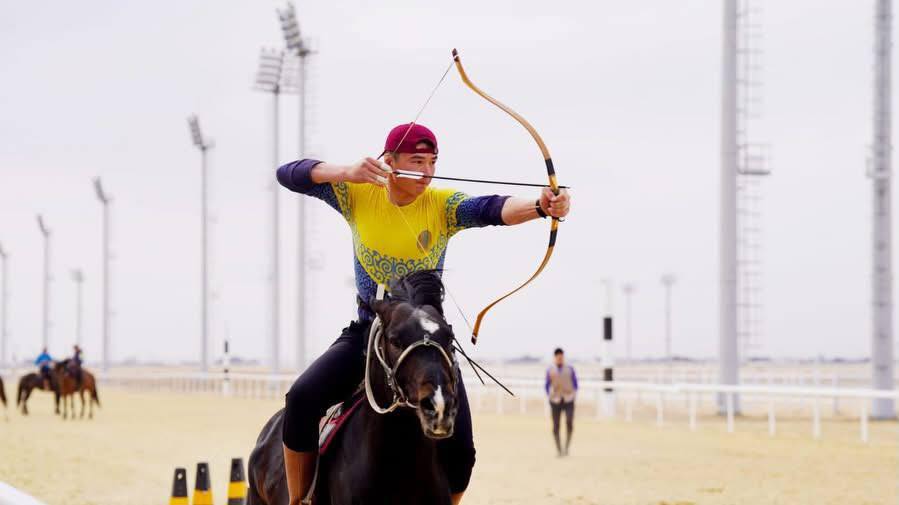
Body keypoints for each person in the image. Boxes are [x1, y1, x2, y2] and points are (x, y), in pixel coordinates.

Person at [277, 123, 571, 505]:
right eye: (417, 161)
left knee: (462, 451)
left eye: (433, 162)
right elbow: (288, 174)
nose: (428, 171)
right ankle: (299, 498)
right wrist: (346, 171)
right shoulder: (355, 195)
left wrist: (540, 206)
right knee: (301, 399)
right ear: (389, 161)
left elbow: (493, 208)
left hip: (428, 343)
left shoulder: (443, 206)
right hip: (370, 335)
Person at [545, 347, 578, 457]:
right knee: (556, 425)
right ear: (555, 357)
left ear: (563, 357)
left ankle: (566, 447)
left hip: (568, 399)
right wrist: (550, 396)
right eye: (557, 357)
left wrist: (573, 395)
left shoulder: (570, 369)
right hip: (555, 400)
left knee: (569, 422)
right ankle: (559, 449)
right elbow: (547, 385)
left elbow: (575, 384)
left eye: (561, 357)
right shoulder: (550, 370)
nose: (559, 359)